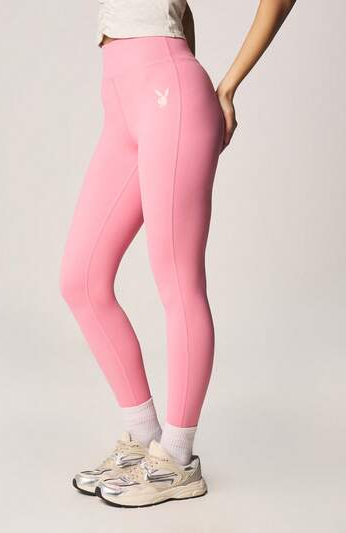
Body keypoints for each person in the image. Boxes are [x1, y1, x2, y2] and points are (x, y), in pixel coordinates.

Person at [60, 0, 296, 508]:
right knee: (81, 279)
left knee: (178, 281)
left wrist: (224, 88)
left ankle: (177, 459)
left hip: (166, 91)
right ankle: (146, 438)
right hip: (124, 98)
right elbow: (180, 12)